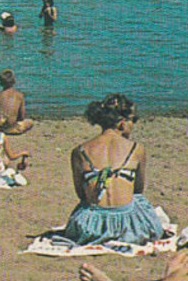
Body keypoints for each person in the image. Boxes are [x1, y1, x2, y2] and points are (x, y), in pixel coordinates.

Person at [63, 94, 166, 245]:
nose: (133, 124)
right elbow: (138, 189)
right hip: (130, 226)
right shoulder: (136, 149)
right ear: (122, 123)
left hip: (91, 227)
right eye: (133, 120)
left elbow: (81, 194)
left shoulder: (80, 151)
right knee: (139, 200)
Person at [0, 69, 33, 135]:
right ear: (14, 81)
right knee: (30, 122)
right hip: (13, 128)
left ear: (0, 82)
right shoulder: (19, 95)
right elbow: (21, 117)